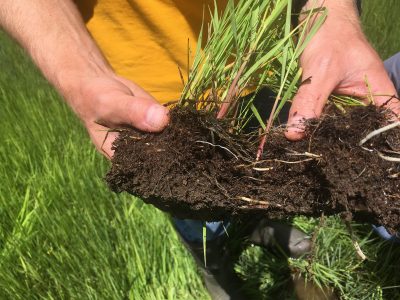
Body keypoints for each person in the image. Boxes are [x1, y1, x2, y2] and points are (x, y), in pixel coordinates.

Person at [1, 0, 399, 298]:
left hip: (275, 62)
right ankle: (215, 267)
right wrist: (78, 68)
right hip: (150, 88)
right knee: (196, 206)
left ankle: (268, 224)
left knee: (266, 172)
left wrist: (333, 10)